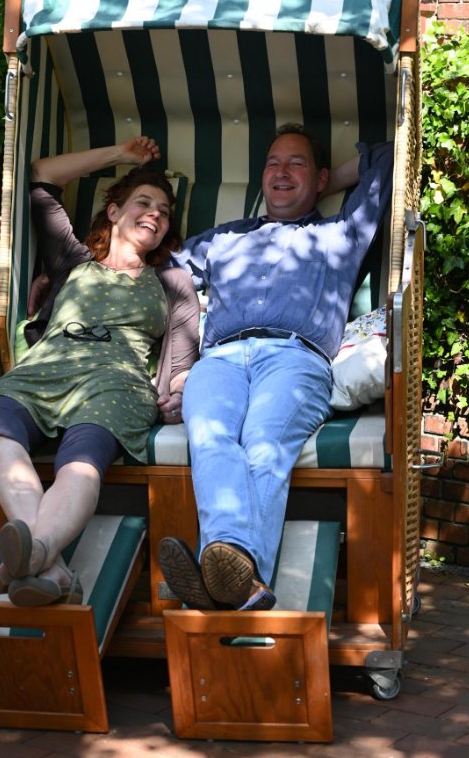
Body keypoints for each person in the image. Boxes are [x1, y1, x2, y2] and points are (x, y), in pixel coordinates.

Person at [158, 123, 393, 612]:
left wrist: (326, 183)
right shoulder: (223, 238)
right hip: (219, 358)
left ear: (321, 178)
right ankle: (240, 579)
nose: (281, 173)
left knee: (264, 443)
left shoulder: (340, 233)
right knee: (210, 438)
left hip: (295, 358)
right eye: (273, 164)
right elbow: (160, 271)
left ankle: (228, 565)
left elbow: (388, 158)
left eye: (296, 164)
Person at [0, 137, 200, 607]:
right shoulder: (72, 261)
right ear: (113, 212)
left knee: (82, 457)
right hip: (44, 370)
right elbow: (42, 177)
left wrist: (180, 392)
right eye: (143, 203)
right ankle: (50, 567)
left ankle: (34, 552)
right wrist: (122, 155)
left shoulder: (173, 282)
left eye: (164, 211)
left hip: (116, 381)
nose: (155, 214)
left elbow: (181, 361)